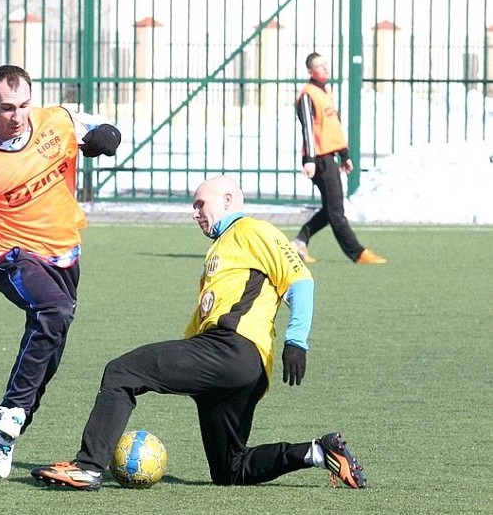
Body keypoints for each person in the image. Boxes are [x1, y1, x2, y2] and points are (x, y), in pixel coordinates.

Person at [31, 175, 367, 491]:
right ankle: (318, 453)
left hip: (230, 349)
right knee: (229, 471)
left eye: (199, 204)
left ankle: (88, 467)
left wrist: (296, 341)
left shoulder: (252, 230)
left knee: (122, 372)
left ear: (227, 200)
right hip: (239, 368)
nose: (195, 213)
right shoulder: (221, 248)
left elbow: (300, 281)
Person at [0, 64, 121, 478]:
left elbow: (100, 128)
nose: (17, 115)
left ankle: (9, 426)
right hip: (5, 253)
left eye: (23, 105)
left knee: (53, 339)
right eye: (6, 108)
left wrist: (106, 137)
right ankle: (14, 410)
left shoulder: (57, 120)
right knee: (53, 311)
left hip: (63, 249)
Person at [291, 52, 386, 265]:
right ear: (310, 71)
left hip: (329, 156)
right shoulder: (307, 94)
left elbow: (333, 128)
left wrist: (344, 155)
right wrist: (310, 160)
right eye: (319, 66)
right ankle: (357, 253)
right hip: (319, 159)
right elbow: (308, 129)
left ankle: (300, 241)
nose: (325, 68)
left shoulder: (325, 92)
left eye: (326, 65)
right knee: (336, 211)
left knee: (331, 208)